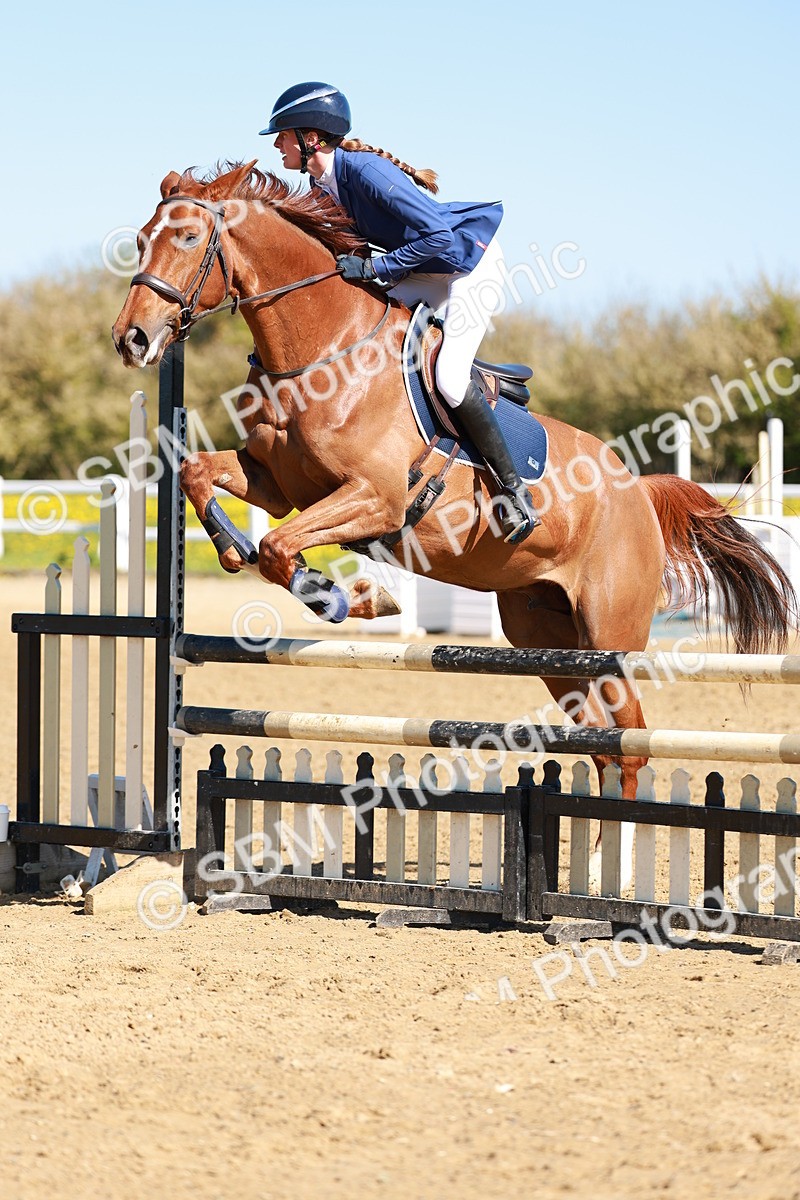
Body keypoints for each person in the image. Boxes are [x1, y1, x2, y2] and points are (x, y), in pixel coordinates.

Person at [259, 82, 540, 543]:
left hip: (469, 264)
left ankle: (514, 493)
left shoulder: (365, 172)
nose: (277, 145)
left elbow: (442, 240)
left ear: (312, 137)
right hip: (427, 268)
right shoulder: (321, 183)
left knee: (449, 376)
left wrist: (375, 266)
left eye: (283, 135)